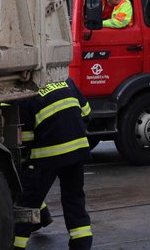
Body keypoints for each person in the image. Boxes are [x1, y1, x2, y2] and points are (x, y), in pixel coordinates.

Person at [13, 77, 93, 250]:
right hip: (77, 152)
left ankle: (15, 245)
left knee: (27, 204)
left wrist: (27, 165)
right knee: (74, 200)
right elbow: (87, 113)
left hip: (48, 156)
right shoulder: (68, 82)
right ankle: (82, 245)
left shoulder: (26, 94)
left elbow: (25, 139)